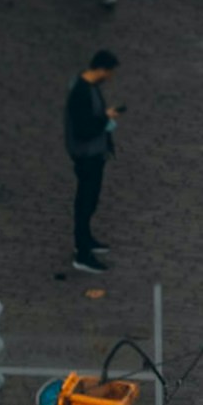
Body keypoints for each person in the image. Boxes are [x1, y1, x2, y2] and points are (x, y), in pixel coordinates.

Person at [66, 50, 120, 273]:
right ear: (100, 69)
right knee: (85, 202)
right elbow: (83, 128)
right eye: (109, 72)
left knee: (89, 200)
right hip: (87, 156)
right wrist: (106, 120)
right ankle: (83, 253)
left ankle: (86, 241)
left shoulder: (89, 87)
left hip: (94, 154)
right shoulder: (81, 92)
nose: (110, 77)